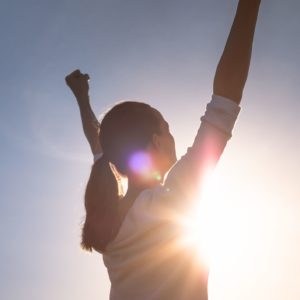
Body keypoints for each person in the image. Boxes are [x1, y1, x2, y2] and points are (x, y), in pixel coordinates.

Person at [65, 1, 261, 299]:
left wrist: (82, 98)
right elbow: (225, 98)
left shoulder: (109, 221)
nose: (172, 137)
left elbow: (97, 143)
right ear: (156, 140)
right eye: (166, 128)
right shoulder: (174, 198)